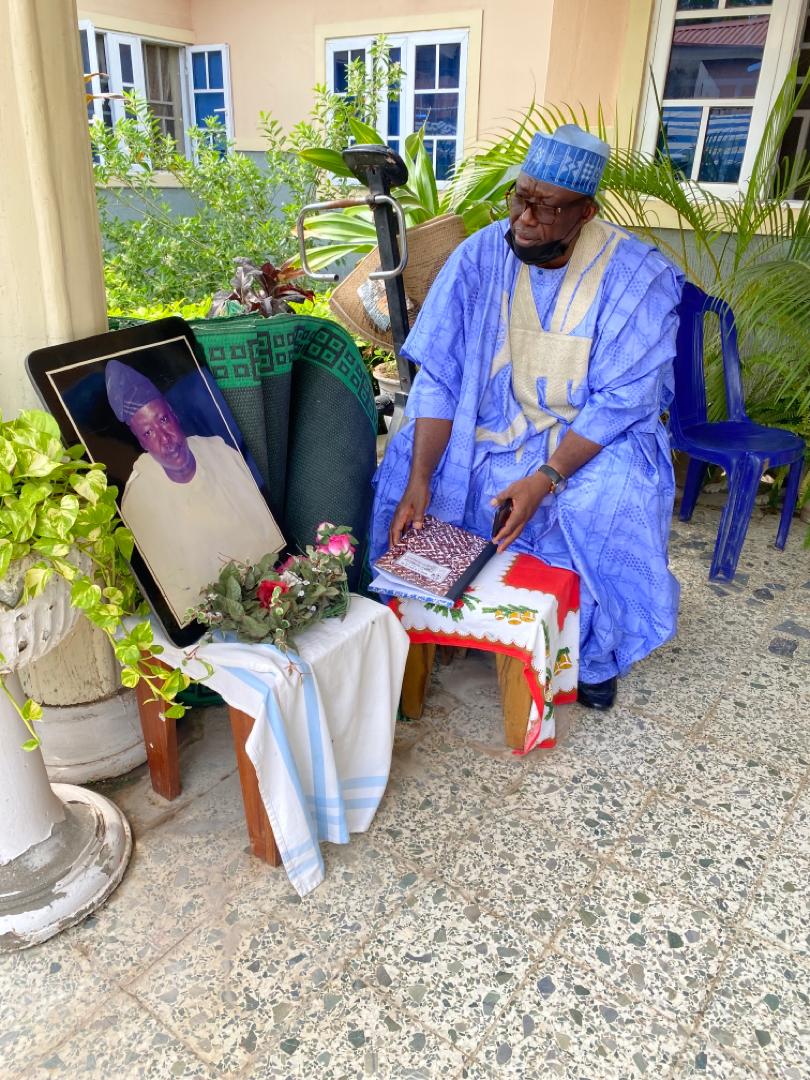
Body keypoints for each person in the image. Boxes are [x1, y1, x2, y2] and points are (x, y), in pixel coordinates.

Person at [371, 124, 684, 710]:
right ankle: (444, 610)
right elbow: (441, 376)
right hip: (493, 420)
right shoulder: (480, 255)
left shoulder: (637, 277)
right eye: (520, 198)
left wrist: (546, 478)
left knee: (607, 498)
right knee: (414, 469)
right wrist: (420, 478)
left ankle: (590, 649)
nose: (525, 218)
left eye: (547, 207)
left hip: (592, 436)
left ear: (585, 212)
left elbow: (622, 401)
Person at [105, 359, 283, 624]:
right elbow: (178, 601)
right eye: (149, 433)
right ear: (141, 443)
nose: (165, 440)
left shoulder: (220, 453)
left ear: (175, 415)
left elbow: (269, 535)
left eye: (163, 420)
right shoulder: (140, 499)